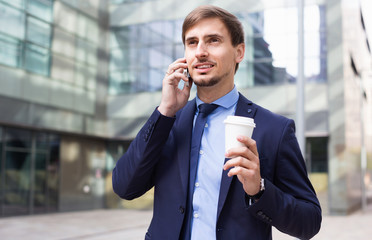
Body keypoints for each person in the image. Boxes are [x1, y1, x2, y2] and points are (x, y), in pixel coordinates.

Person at [112, 5, 321, 240]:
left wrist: (259, 189)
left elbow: (309, 221)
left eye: (213, 40)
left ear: (239, 52)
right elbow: (124, 187)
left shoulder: (274, 129)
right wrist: (164, 111)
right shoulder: (168, 122)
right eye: (192, 42)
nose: (200, 52)